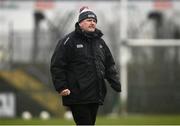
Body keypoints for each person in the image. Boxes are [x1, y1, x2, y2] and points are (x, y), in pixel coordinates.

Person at [50, 6, 121, 125]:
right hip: (77, 95)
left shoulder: (100, 42)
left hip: (95, 94)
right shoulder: (68, 40)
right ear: (80, 23)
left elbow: (109, 64)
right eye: (89, 20)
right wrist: (61, 86)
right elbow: (57, 65)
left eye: (94, 21)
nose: (92, 23)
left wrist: (115, 82)